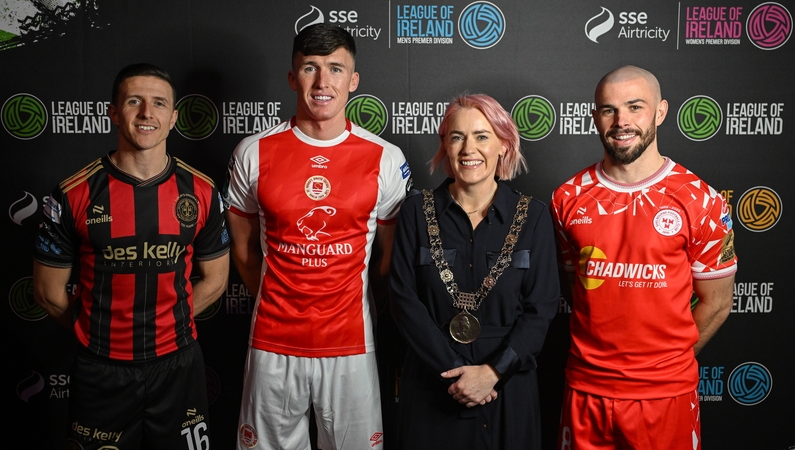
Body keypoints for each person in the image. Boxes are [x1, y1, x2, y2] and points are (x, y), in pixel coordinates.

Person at [225, 23, 411, 449]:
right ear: (293, 78)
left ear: (353, 80)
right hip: (273, 342)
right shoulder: (253, 151)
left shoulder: (385, 158)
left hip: (351, 343)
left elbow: (388, 260)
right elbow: (243, 249)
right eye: (310, 68)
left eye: (336, 69)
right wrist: (283, 299)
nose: (323, 82)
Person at [33, 63, 230, 450]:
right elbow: (47, 293)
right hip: (101, 371)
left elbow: (217, 280)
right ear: (113, 112)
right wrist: (100, 332)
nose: (146, 113)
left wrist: (167, 325)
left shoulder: (203, 191)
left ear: (173, 118)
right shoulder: (73, 194)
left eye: (159, 103)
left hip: (178, 367)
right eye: (134, 101)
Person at [551, 65, 737, 449]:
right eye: (609, 109)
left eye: (635, 107)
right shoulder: (567, 197)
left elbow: (717, 303)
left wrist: (663, 365)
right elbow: (576, 289)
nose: (621, 121)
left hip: (665, 396)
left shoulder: (701, 200)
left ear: (661, 112)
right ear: (595, 116)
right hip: (586, 389)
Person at [389, 94, 560, 449]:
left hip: (507, 389)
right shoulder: (415, 212)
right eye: (457, 137)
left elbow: (542, 308)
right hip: (432, 382)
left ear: (503, 144)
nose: (469, 149)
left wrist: (493, 372)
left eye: (482, 136)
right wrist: (456, 373)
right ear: (445, 146)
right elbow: (403, 300)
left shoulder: (533, 216)